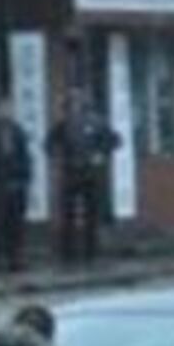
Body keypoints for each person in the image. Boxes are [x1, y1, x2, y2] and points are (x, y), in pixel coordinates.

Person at [45, 87, 122, 266]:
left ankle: (91, 252)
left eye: (78, 102)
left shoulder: (96, 123)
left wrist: (101, 154)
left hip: (91, 174)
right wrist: (59, 156)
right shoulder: (62, 125)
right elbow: (49, 145)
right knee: (68, 214)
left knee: (91, 214)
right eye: (72, 102)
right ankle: (68, 254)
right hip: (70, 172)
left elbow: (115, 140)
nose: (75, 106)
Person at [0, 98, 34, 272]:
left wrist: (26, 178)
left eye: (9, 109)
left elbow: (26, 156)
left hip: (16, 183)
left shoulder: (18, 131)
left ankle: (15, 259)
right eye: (2, 109)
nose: (6, 112)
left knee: (16, 223)